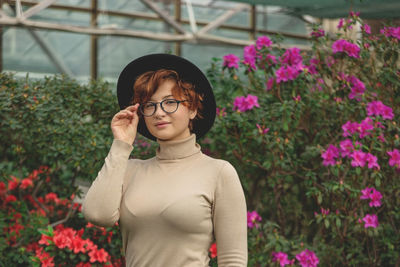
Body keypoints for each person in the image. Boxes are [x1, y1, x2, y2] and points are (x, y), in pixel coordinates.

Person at [82, 54, 247, 267]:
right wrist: (121, 145)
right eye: (149, 105)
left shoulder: (219, 172)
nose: (159, 113)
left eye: (170, 102)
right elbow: (97, 215)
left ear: (193, 109)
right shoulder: (130, 170)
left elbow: (233, 260)